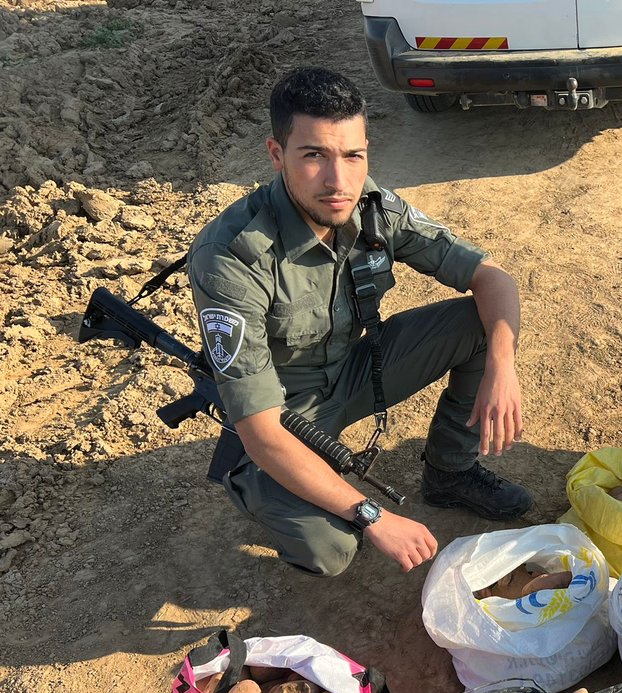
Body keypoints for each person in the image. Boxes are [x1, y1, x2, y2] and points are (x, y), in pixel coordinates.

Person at [188, 67, 531, 577]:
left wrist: (502, 367)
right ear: (277, 154)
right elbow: (260, 429)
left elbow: (491, 277)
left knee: (483, 324)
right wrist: (372, 513)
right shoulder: (232, 256)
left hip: (357, 372)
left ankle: (449, 474)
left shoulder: (368, 204)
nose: (338, 181)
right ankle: (257, 488)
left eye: (353, 155)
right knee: (331, 548)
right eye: (314, 156)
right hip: (285, 415)